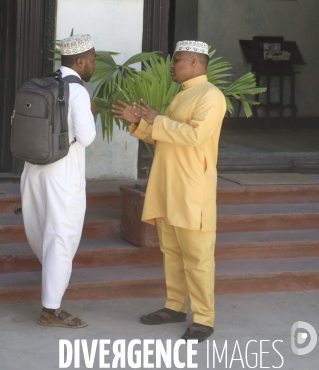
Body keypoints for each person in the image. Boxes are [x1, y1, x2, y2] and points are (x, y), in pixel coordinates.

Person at [112, 40, 226, 343]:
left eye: (176, 61)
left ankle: (203, 318)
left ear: (194, 62)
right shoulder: (182, 96)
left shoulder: (212, 97)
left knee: (198, 257)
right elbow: (167, 138)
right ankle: (175, 307)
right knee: (172, 253)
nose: (171, 66)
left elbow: (194, 135)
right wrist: (139, 124)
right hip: (168, 186)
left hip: (192, 190)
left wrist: (156, 119)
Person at [21, 34, 96, 328]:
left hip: (33, 169)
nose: (93, 65)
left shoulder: (45, 84)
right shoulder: (77, 92)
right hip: (63, 175)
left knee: (43, 231)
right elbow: (87, 137)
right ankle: (50, 310)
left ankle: (52, 292)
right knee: (62, 238)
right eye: (91, 59)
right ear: (79, 61)